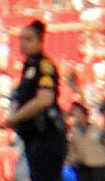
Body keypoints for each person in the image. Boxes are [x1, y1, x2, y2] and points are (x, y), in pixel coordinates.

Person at [5, 21, 67, 181]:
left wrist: (15, 117)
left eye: (29, 39)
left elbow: (44, 99)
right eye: (22, 39)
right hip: (32, 139)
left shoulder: (44, 66)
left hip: (46, 137)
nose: (23, 44)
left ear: (40, 41)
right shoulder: (28, 67)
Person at [68, 103, 105, 181]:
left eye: (78, 113)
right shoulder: (73, 131)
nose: (76, 116)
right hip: (84, 165)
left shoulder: (97, 129)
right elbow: (72, 148)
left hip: (99, 164)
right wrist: (72, 159)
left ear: (84, 114)